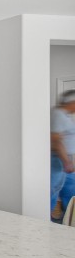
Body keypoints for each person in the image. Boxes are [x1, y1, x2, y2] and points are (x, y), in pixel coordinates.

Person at [50, 89, 75, 223]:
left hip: (65, 159)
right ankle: (48, 219)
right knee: (54, 189)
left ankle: (68, 218)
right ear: (71, 102)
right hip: (58, 159)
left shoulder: (66, 115)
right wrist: (66, 161)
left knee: (70, 189)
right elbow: (55, 139)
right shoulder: (58, 114)